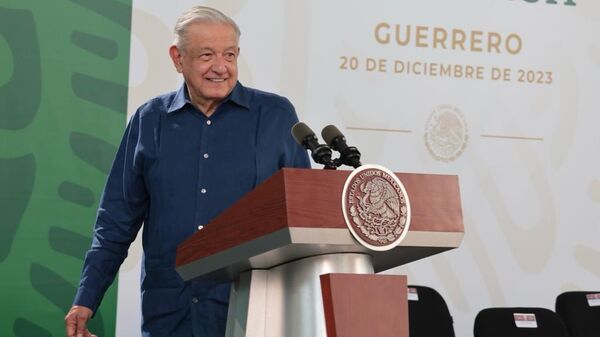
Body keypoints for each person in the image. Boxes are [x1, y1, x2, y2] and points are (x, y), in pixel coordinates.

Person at [64, 6, 310, 337]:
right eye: (206, 55)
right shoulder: (149, 120)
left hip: (253, 309)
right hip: (170, 310)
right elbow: (115, 222)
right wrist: (87, 298)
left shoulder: (277, 116)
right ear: (177, 58)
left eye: (230, 54)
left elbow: (303, 217)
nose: (221, 67)